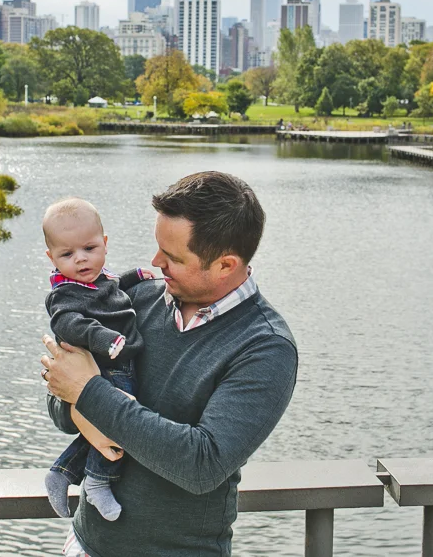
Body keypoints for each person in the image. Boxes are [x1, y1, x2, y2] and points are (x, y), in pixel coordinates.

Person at [40, 171, 298, 557]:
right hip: (87, 544)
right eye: (159, 246)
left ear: (225, 265)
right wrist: (79, 408)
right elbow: (61, 402)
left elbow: (202, 465)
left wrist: (88, 394)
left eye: (173, 257)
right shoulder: (135, 298)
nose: (155, 261)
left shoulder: (265, 347)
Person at [41, 198, 152, 522]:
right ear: (52, 258)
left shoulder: (99, 278)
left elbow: (114, 289)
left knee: (109, 424)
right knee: (119, 421)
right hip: (102, 366)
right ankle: (98, 481)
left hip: (119, 361)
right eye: (67, 254)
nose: (80, 259)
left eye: (89, 248)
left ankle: (62, 472)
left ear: (104, 244)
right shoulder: (64, 293)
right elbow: (68, 323)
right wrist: (104, 338)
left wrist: (134, 276)